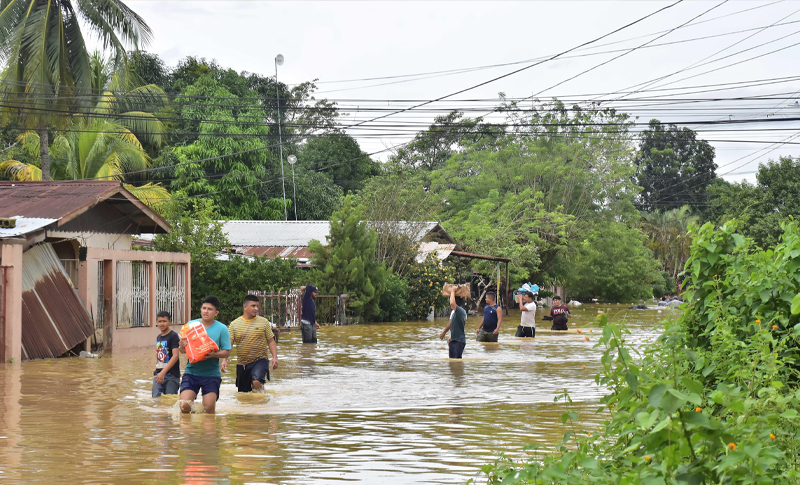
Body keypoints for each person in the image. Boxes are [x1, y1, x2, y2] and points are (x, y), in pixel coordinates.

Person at [178, 296, 231, 414]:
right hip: (191, 372)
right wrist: (182, 346)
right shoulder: (191, 326)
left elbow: (227, 351)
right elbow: (182, 351)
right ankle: (189, 430)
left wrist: (214, 355)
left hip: (211, 374)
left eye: (210, 309)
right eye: (204, 308)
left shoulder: (222, 329)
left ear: (216, 312)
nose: (206, 311)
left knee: (208, 408)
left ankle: (208, 431)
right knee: (184, 406)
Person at [228, 295, 279, 393]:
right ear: (245, 307)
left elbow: (271, 341)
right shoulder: (234, 324)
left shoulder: (263, 322)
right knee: (244, 394)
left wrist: (275, 357)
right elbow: (229, 344)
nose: (256, 309)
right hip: (242, 364)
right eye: (253, 306)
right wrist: (225, 360)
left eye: (257, 306)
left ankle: (262, 400)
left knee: (256, 382)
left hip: (260, 360)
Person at [152, 311, 181, 398]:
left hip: (171, 375)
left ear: (170, 322)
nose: (162, 323)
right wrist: (160, 373)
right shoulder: (158, 337)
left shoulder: (173, 336)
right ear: (156, 322)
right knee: (156, 399)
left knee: (170, 401)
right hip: (158, 374)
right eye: (159, 321)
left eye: (164, 321)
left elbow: (175, 356)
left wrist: (163, 372)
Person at [440, 285, 467, 358]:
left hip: (459, 341)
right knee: (452, 363)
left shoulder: (461, 311)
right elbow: (453, 325)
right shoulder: (455, 312)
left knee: (457, 362)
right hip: (453, 340)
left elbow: (452, 303)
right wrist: (451, 337)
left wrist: (452, 291)